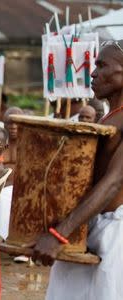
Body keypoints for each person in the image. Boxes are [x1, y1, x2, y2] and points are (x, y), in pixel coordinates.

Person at [36, 41, 123, 300]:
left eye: (102, 65)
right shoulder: (109, 117)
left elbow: (114, 182)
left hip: (113, 234)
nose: (93, 73)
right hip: (84, 225)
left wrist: (59, 234)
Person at [3, 106, 24, 185]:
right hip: (2, 189)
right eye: (10, 123)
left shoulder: (28, 146)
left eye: (17, 123)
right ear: (4, 124)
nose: (13, 127)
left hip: (20, 187)